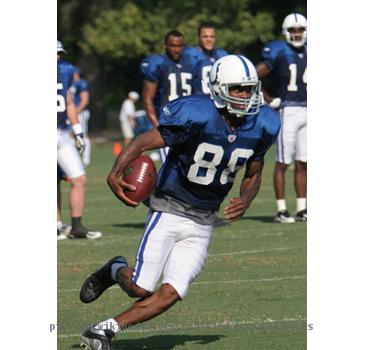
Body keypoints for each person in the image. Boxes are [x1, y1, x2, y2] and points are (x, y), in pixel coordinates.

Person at [78, 54, 281, 349]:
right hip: (170, 207)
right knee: (139, 287)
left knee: (171, 292)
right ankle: (114, 269)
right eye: (237, 88)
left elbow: (254, 172)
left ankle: (102, 331)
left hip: (204, 219)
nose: (245, 95)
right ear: (219, 87)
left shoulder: (264, 123)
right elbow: (145, 141)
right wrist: (117, 168)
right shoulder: (196, 113)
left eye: (249, 88)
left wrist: (246, 200)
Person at [256, 13, 307, 223]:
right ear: (286, 32)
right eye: (293, 30)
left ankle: (303, 208)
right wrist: (268, 99)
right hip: (287, 110)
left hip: (309, 109)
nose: (297, 34)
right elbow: (252, 75)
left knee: (304, 162)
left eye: (300, 30)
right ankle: (281, 209)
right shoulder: (278, 50)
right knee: (283, 161)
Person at [57, 40, 102, 240]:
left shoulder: (64, 71)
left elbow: (68, 102)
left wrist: (77, 131)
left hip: (59, 132)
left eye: (59, 53)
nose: (57, 57)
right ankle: (56, 225)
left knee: (79, 178)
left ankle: (76, 226)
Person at [140, 30, 194, 163]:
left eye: (179, 46)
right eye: (172, 45)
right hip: (168, 122)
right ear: (165, 45)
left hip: (188, 122)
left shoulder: (191, 63)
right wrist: (157, 126)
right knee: (170, 167)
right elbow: (147, 99)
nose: (176, 49)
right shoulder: (157, 64)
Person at [184, 22, 228, 95]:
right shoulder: (189, 55)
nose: (209, 40)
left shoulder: (222, 54)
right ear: (198, 38)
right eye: (205, 37)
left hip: (218, 102)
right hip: (197, 102)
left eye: (212, 37)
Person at [71, 67, 91, 166]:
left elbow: (85, 100)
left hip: (80, 113)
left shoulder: (82, 83)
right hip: (72, 112)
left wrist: (77, 111)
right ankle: (74, 158)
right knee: (71, 136)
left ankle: (85, 159)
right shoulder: (71, 83)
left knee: (82, 135)